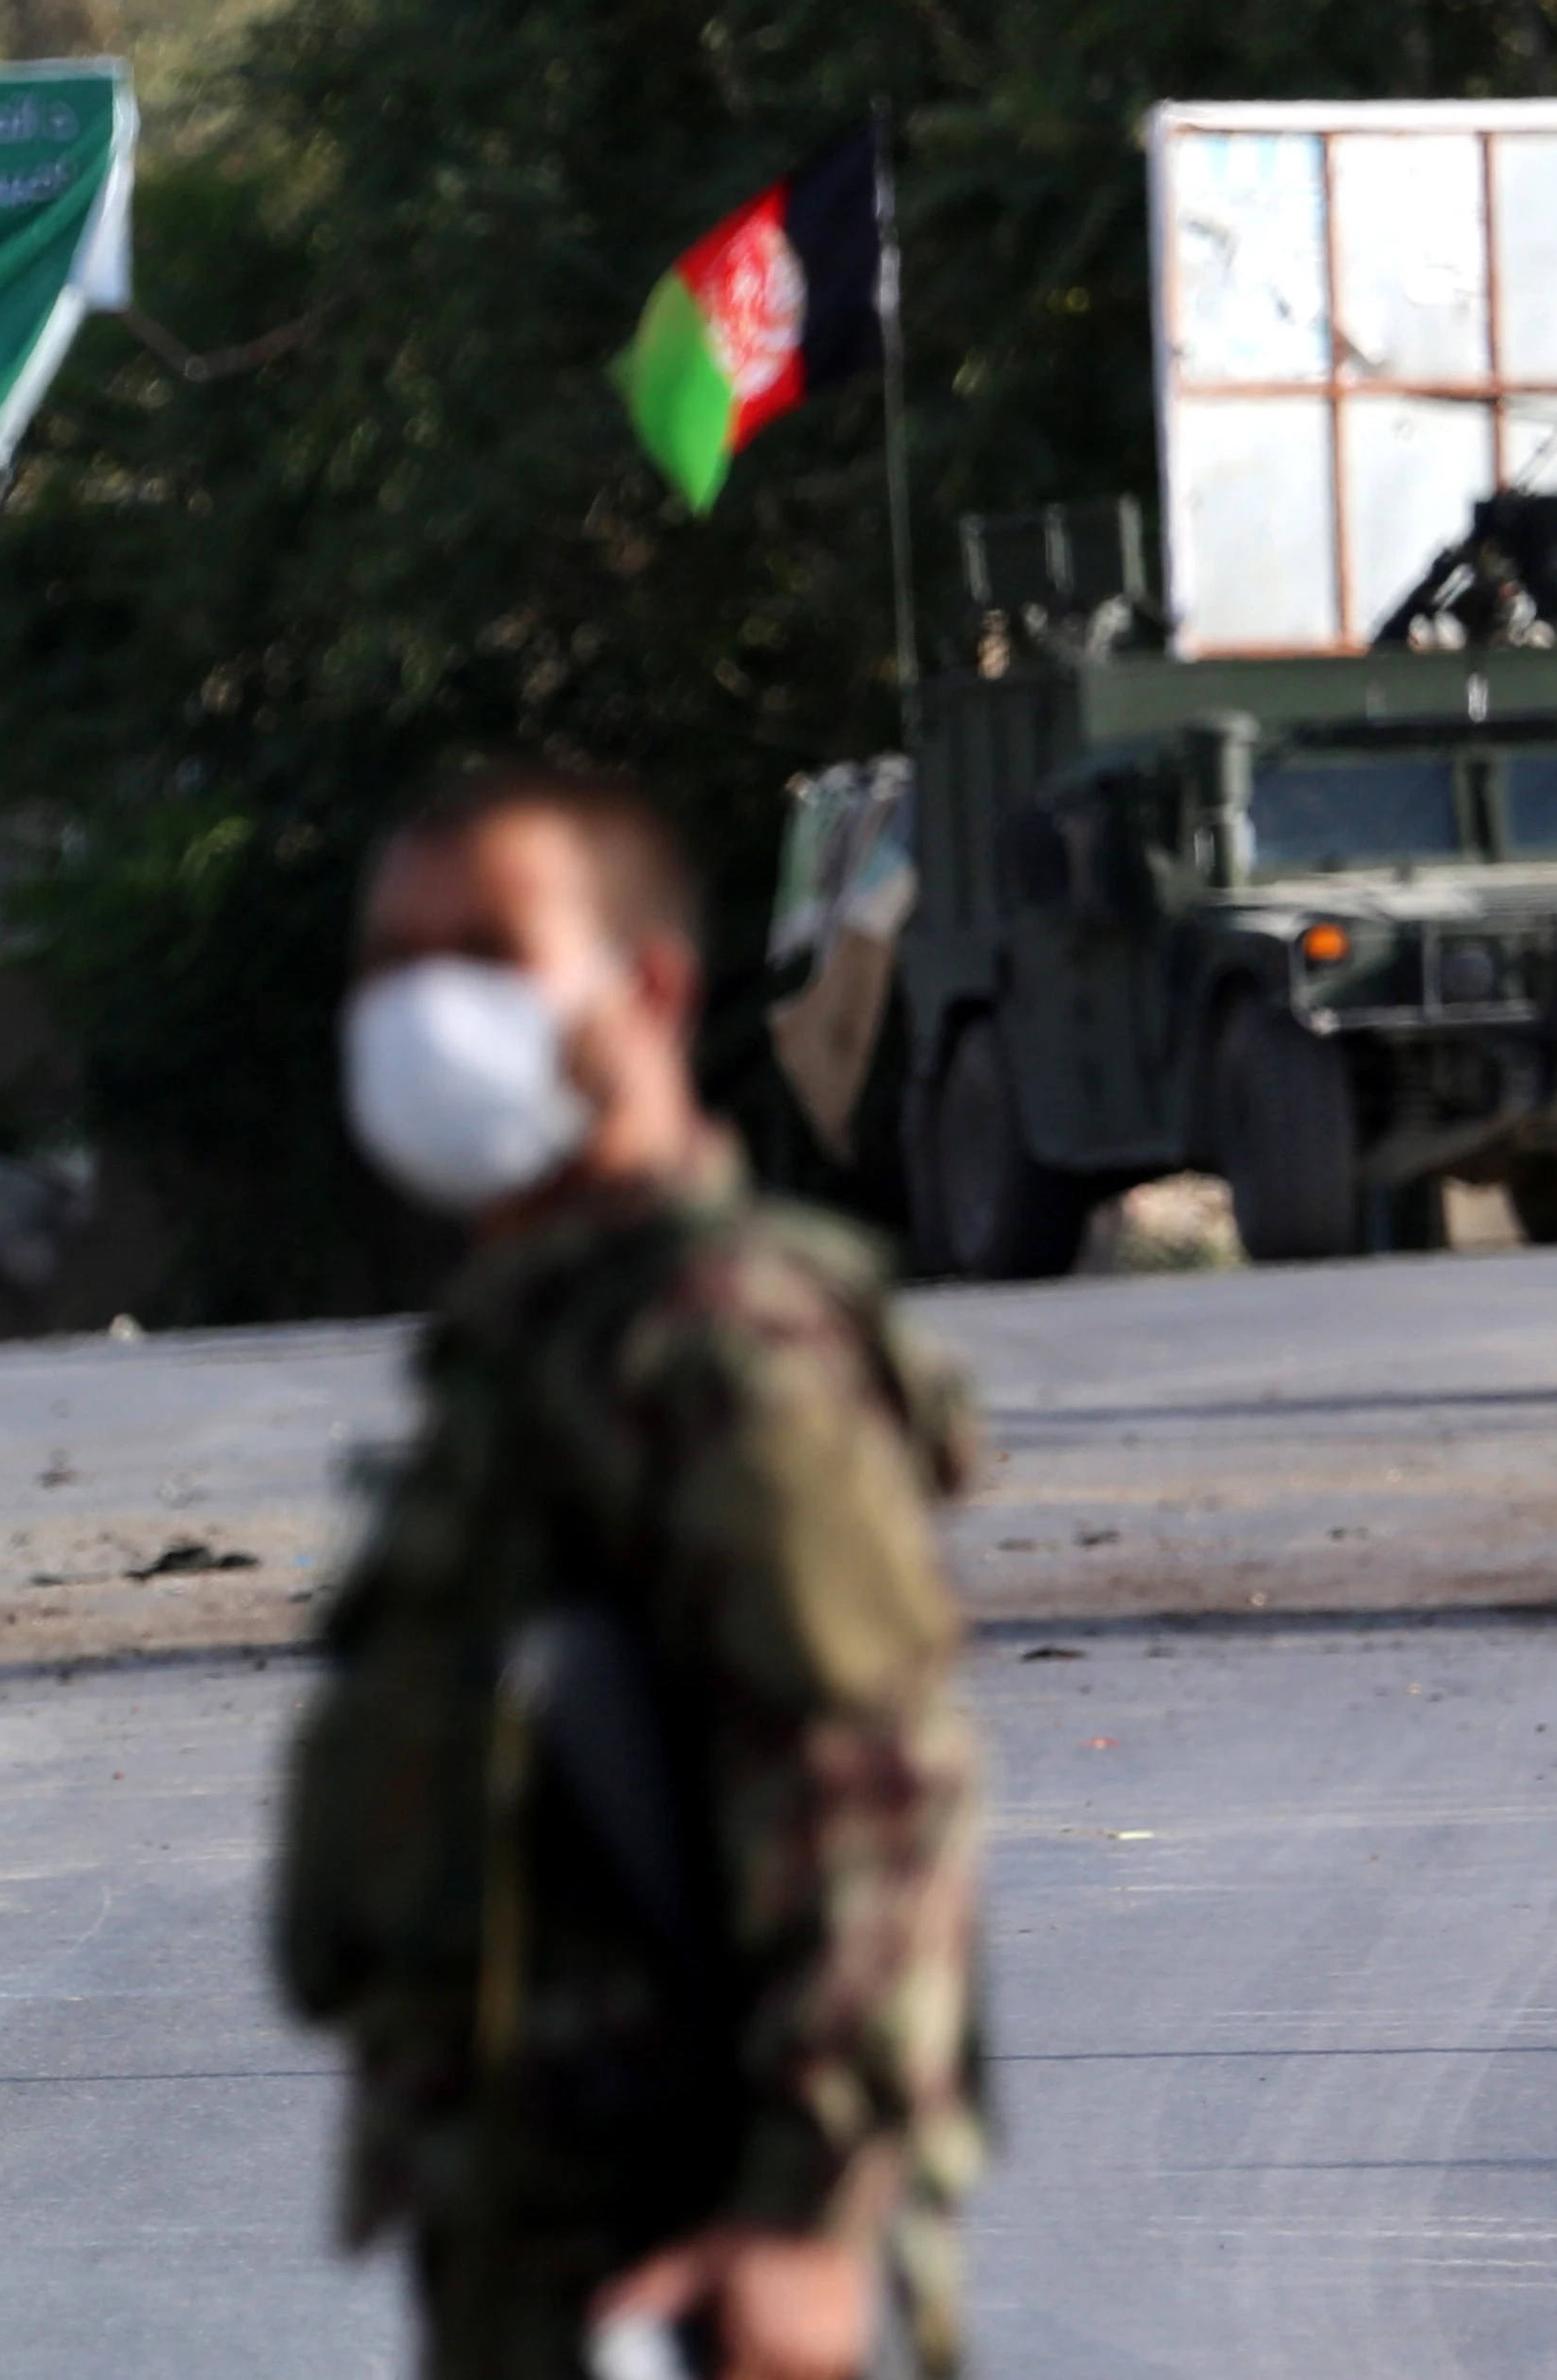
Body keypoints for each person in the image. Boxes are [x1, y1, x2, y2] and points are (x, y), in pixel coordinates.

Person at [272, 764, 989, 2380]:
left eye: (481, 952)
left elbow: (866, 1769)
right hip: (540, 2204)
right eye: (392, 960)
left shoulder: (724, 1342)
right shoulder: (533, 1344)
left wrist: (808, 2206)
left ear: (646, 986)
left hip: (687, 2214)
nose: (419, 1006)